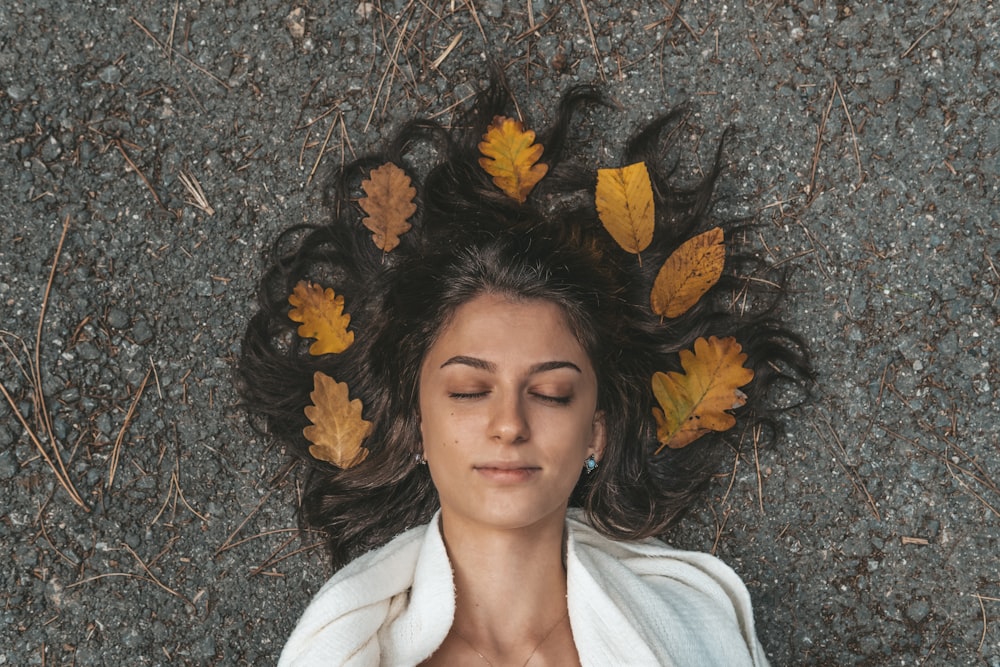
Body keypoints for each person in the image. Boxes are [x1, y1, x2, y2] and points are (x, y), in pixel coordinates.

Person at [240, 77, 810, 666]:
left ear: (597, 432)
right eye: (467, 390)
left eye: (552, 393)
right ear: (416, 426)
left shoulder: (697, 641)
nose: (508, 424)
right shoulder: (344, 652)